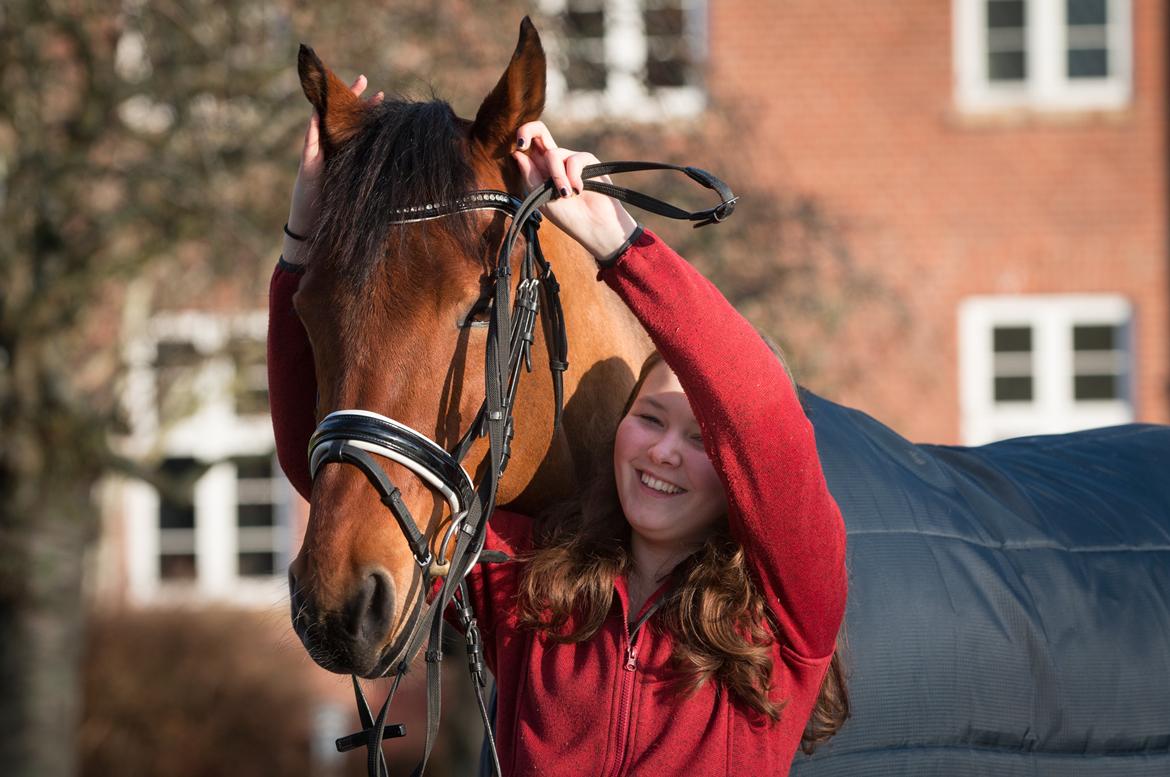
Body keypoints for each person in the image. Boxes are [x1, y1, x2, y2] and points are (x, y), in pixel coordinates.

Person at [270, 76, 848, 775]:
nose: (663, 451)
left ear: (738, 475)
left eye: (699, 440)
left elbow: (764, 418)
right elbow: (338, 464)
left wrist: (621, 245)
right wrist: (304, 243)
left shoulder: (787, 611)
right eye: (651, 418)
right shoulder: (530, 590)